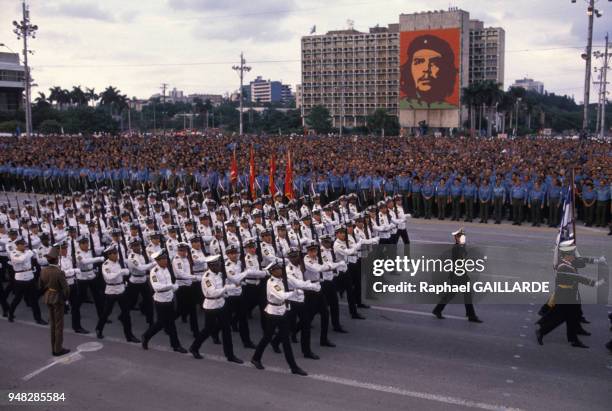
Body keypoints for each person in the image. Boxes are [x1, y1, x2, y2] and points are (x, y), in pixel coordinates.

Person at [536, 241, 603, 348]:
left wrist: (597, 260)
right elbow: (577, 278)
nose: (574, 256)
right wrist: (594, 283)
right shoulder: (563, 266)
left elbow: (582, 261)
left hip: (571, 293)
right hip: (565, 295)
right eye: (572, 254)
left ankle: (573, 336)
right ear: (566, 256)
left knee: (574, 315)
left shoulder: (568, 262)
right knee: (562, 317)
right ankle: (542, 330)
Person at [251, 261, 308, 376]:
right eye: (277, 269)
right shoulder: (271, 282)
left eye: (280, 269)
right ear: (272, 272)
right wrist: (294, 292)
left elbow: (293, 286)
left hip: (282, 311)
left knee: (285, 340)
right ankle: (256, 358)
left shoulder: (282, 279)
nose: (280, 271)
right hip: (273, 313)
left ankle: (293, 367)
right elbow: (282, 295)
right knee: (267, 337)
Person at [189, 254, 243, 363]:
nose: (219, 266)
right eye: (217, 265)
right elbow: (212, 292)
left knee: (226, 330)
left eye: (219, 264)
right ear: (211, 266)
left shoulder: (220, 274)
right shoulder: (207, 277)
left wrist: (234, 285)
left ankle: (230, 355)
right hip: (211, 305)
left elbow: (230, 281)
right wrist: (227, 288)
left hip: (221, 303)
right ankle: (194, 347)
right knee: (208, 329)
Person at [141, 250, 187, 353]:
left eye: (166, 259)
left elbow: (169, 282)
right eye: (162, 259)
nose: (165, 261)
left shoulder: (167, 269)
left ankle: (175, 345)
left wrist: (173, 288)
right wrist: (171, 286)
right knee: (161, 323)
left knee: (171, 323)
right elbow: (156, 287)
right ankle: (146, 336)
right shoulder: (154, 272)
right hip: (160, 301)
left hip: (169, 299)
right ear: (157, 261)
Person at [432, 228, 482, 323]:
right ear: (456, 238)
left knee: (459, 295)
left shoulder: (461, 246)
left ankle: (438, 310)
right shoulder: (457, 248)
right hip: (458, 275)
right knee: (460, 295)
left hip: (460, 274)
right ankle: (471, 315)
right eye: (461, 236)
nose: (463, 238)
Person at [399, 34, 459, 109]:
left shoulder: (451, 108)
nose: (426, 69)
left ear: (446, 70)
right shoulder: (403, 105)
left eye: (435, 63)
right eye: (419, 62)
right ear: (409, 69)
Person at [95, 245, 140, 343]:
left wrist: (127, 272)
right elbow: (109, 277)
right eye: (114, 254)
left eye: (116, 253)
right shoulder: (106, 265)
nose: (116, 255)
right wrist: (121, 272)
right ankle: (99, 328)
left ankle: (129, 335)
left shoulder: (119, 262)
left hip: (121, 289)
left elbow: (127, 271)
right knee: (107, 312)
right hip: (111, 290)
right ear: (109, 255)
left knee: (126, 313)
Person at [39, 246, 70, 356]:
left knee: (52, 324)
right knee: (58, 325)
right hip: (57, 298)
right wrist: (65, 299)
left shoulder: (43, 271)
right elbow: (66, 289)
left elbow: (40, 286)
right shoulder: (59, 272)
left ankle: (53, 347)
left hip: (48, 296)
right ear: (56, 259)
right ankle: (58, 349)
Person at [7, 237, 46, 324]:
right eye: (23, 245)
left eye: (25, 245)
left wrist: (38, 252)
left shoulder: (27, 252)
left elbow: (39, 258)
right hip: (20, 279)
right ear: (18, 245)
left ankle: (38, 318)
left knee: (34, 300)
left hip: (30, 277)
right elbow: (21, 260)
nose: (25, 246)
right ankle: (10, 313)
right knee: (17, 298)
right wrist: (29, 252)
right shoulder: (13, 253)